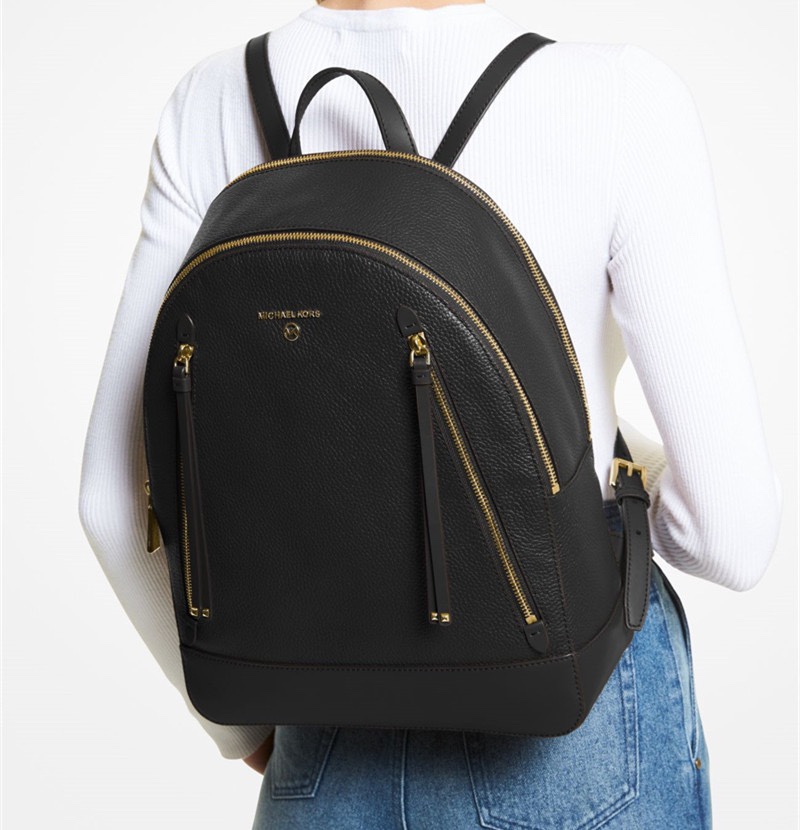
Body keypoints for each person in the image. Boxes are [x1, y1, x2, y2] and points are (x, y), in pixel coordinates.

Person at [77, 0, 783, 827]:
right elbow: (728, 535)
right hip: (572, 723)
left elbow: (111, 504)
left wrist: (243, 730)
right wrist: (629, 472)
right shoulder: (618, 96)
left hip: (321, 719)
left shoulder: (213, 99)